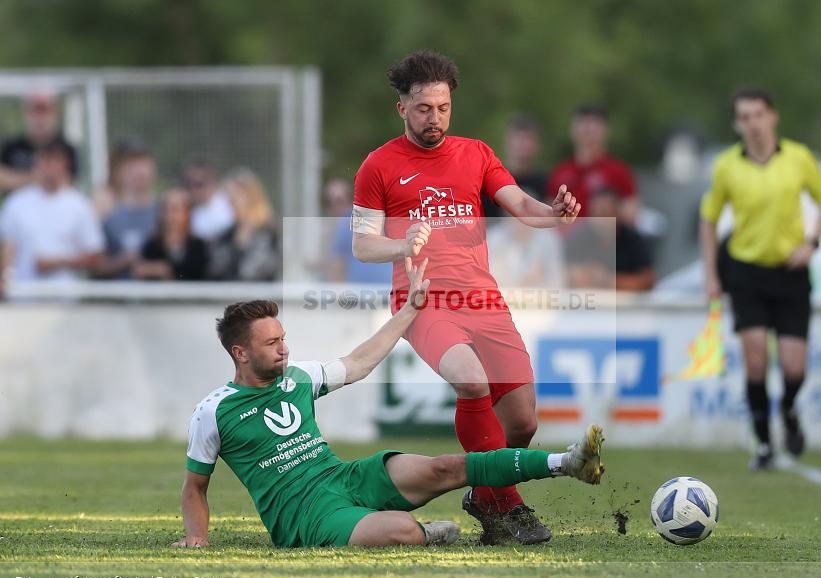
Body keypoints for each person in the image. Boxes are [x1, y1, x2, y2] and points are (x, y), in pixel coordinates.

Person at [172, 260, 605, 549]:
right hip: (304, 515)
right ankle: (420, 533)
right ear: (239, 354)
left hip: (345, 478)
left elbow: (359, 362)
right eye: (272, 343)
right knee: (401, 531)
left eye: (283, 337)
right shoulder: (214, 411)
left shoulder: (299, 377)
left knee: (446, 467)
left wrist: (409, 311)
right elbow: (195, 487)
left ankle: (565, 462)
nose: (284, 348)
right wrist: (198, 538)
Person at [351, 51, 580, 545]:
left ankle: (482, 494)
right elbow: (362, 244)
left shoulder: (475, 153)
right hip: (423, 300)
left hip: (483, 300)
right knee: (471, 381)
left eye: (443, 108)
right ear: (402, 109)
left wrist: (553, 212)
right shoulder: (378, 165)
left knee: (522, 422)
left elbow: (518, 202)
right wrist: (400, 243)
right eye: (424, 108)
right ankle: (507, 507)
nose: (434, 118)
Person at [699, 88, 821, 470]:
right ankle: (762, 445)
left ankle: (788, 409)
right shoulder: (727, 166)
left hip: (791, 273)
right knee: (755, 360)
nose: (752, 123)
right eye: (744, 117)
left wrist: (812, 242)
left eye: (758, 114)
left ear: (772, 116)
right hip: (746, 272)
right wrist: (711, 273)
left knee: (794, 368)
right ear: (736, 123)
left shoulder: (799, 158)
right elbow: (708, 219)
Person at [0, 140, 103, 291]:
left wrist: (57, 263)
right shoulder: (16, 203)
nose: (49, 167)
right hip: (23, 297)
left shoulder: (79, 205)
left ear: (65, 164)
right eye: (44, 159)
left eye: (54, 160)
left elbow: (94, 254)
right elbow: (8, 247)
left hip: (66, 301)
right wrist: (5, 278)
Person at [546, 104, 639, 224]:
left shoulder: (618, 172)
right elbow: (548, 213)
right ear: (572, 129)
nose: (588, 129)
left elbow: (630, 216)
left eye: (594, 123)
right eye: (582, 123)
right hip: (566, 239)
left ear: (605, 130)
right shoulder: (560, 172)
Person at [565, 187, 655, 291]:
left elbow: (649, 280)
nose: (599, 218)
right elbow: (566, 273)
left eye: (604, 212)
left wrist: (610, 280)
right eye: (595, 213)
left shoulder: (631, 239)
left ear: (617, 212)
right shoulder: (580, 236)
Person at [95, 144, 159, 279]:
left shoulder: (167, 213)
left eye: (145, 168)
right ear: (122, 174)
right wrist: (123, 261)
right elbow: (97, 267)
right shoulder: (110, 218)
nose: (140, 173)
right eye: (134, 168)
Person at [207, 169, 280, 281]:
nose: (230, 203)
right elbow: (216, 269)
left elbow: (254, 272)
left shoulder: (269, 232)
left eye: (234, 197)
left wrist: (242, 246)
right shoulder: (226, 235)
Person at [0, 92, 78, 194]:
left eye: (45, 111)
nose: (40, 118)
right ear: (26, 112)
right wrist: (34, 177)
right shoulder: (12, 147)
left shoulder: (66, 148)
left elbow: (68, 181)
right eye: (35, 111)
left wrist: (18, 179)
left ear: (55, 113)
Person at [481, 114, 547, 221]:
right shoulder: (490, 181)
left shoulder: (546, 184)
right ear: (508, 141)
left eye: (528, 139)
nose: (523, 144)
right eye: (518, 138)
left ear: (537, 144)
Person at [133, 187, 208, 281]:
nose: (169, 215)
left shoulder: (198, 247)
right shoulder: (152, 246)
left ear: (187, 213)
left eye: (175, 209)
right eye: (165, 209)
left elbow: (196, 274)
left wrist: (165, 270)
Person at [487, 218, 565, 289]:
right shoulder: (494, 238)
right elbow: (492, 283)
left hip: (541, 301)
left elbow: (557, 282)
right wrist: (527, 282)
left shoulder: (548, 238)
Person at [181, 158, 235, 242]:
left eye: (198, 184)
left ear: (212, 182)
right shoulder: (188, 208)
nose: (193, 190)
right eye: (188, 184)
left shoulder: (228, 209)